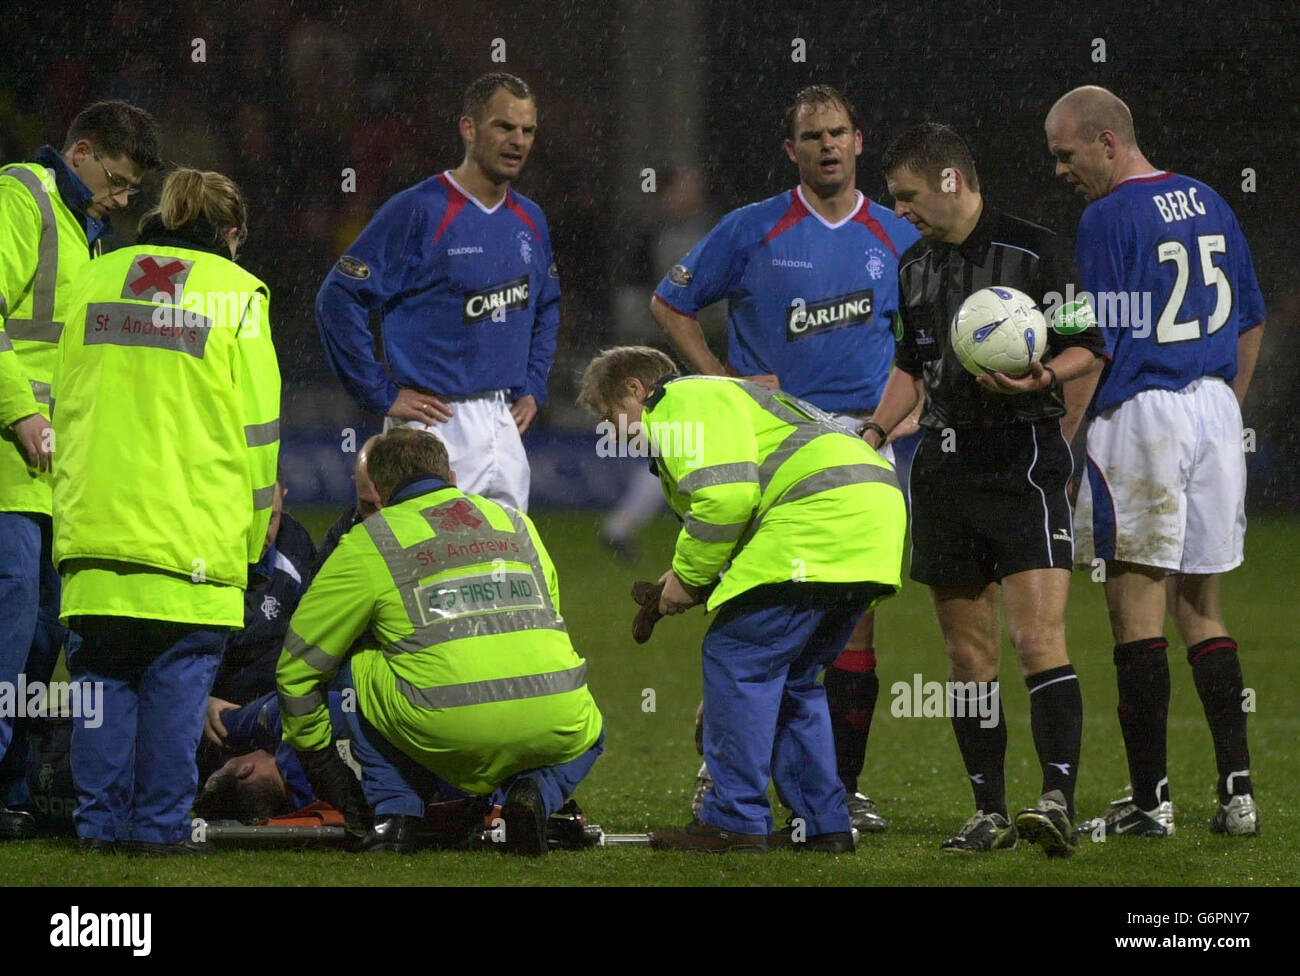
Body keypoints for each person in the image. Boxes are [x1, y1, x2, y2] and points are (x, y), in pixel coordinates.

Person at [649, 85, 920, 833]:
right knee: (749, 612)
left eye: (838, 133)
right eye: (812, 137)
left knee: (843, 625)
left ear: (859, 140)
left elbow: (923, 342)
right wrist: (720, 378)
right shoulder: (752, 228)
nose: (827, 146)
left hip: (860, 451)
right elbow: (669, 304)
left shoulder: (899, 238)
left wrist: (902, 412)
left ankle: (833, 790)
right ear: (791, 150)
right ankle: (749, 782)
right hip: (766, 455)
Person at [865, 123, 1105, 856]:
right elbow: (912, 364)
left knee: (1037, 638)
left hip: (1022, 462)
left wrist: (1044, 379)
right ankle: (988, 811)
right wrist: (876, 432)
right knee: (967, 657)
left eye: (906, 195)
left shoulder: (1034, 250)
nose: (900, 209)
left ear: (950, 181)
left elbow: (1087, 344)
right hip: (943, 467)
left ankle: (1057, 799)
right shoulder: (912, 268)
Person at [1045, 87, 1267, 838]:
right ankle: (1239, 797)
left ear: (1108, 142)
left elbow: (1094, 344)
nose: (1060, 169)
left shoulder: (1107, 217)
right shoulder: (1208, 199)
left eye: (1067, 153)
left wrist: (1065, 446)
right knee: (1201, 608)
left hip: (1143, 415)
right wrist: (1227, 402)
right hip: (1211, 408)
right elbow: (1251, 317)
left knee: (1134, 612)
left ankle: (1150, 803)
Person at [579, 346, 907, 852]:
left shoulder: (679, 401)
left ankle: (732, 821)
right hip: (869, 523)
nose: (612, 432)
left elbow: (726, 498)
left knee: (737, 656)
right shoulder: (726, 399)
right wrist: (687, 575)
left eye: (610, 416)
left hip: (817, 518)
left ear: (636, 391)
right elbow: (745, 510)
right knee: (794, 682)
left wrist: (687, 579)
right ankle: (822, 826)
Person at [51, 167, 281, 854]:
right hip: (192, 542)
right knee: (176, 694)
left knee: (103, 687)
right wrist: (251, 539)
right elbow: (259, 431)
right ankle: (157, 834)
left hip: (95, 535)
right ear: (231, 233)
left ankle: (97, 832)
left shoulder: (94, 278)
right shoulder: (238, 294)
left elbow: (66, 397)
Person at [276, 427, 603, 855]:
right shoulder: (516, 522)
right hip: (555, 713)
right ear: (451, 475)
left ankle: (397, 815)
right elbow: (548, 615)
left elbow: (296, 667)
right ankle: (536, 794)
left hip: (444, 725)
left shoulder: (371, 541)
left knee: (352, 654)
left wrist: (320, 762)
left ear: (376, 488)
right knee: (589, 728)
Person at [0, 101, 161, 839]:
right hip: (8, 465)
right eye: (120, 182)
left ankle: (13, 790)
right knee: (8, 635)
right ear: (83, 149)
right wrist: (20, 413)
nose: (123, 200)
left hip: (56, 481)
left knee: (37, 644)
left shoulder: (89, 236)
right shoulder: (22, 197)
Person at [316, 72, 559, 512]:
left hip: (502, 420)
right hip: (432, 424)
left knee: (511, 570)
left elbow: (546, 305)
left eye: (528, 131)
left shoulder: (531, 219)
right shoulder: (419, 210)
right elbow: (339, 297)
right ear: (469, 128)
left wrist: (533, 386)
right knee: (427, 571)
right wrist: (380, 393)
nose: (518, 141)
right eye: (504, 127)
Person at [209, 478, 316, 705]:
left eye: (271, 518)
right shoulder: (200, 556)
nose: (261, 533)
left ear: (284, 497)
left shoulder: (295, 547)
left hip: (263, 709)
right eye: (251, 516)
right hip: (198, 706)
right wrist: (202, 703)